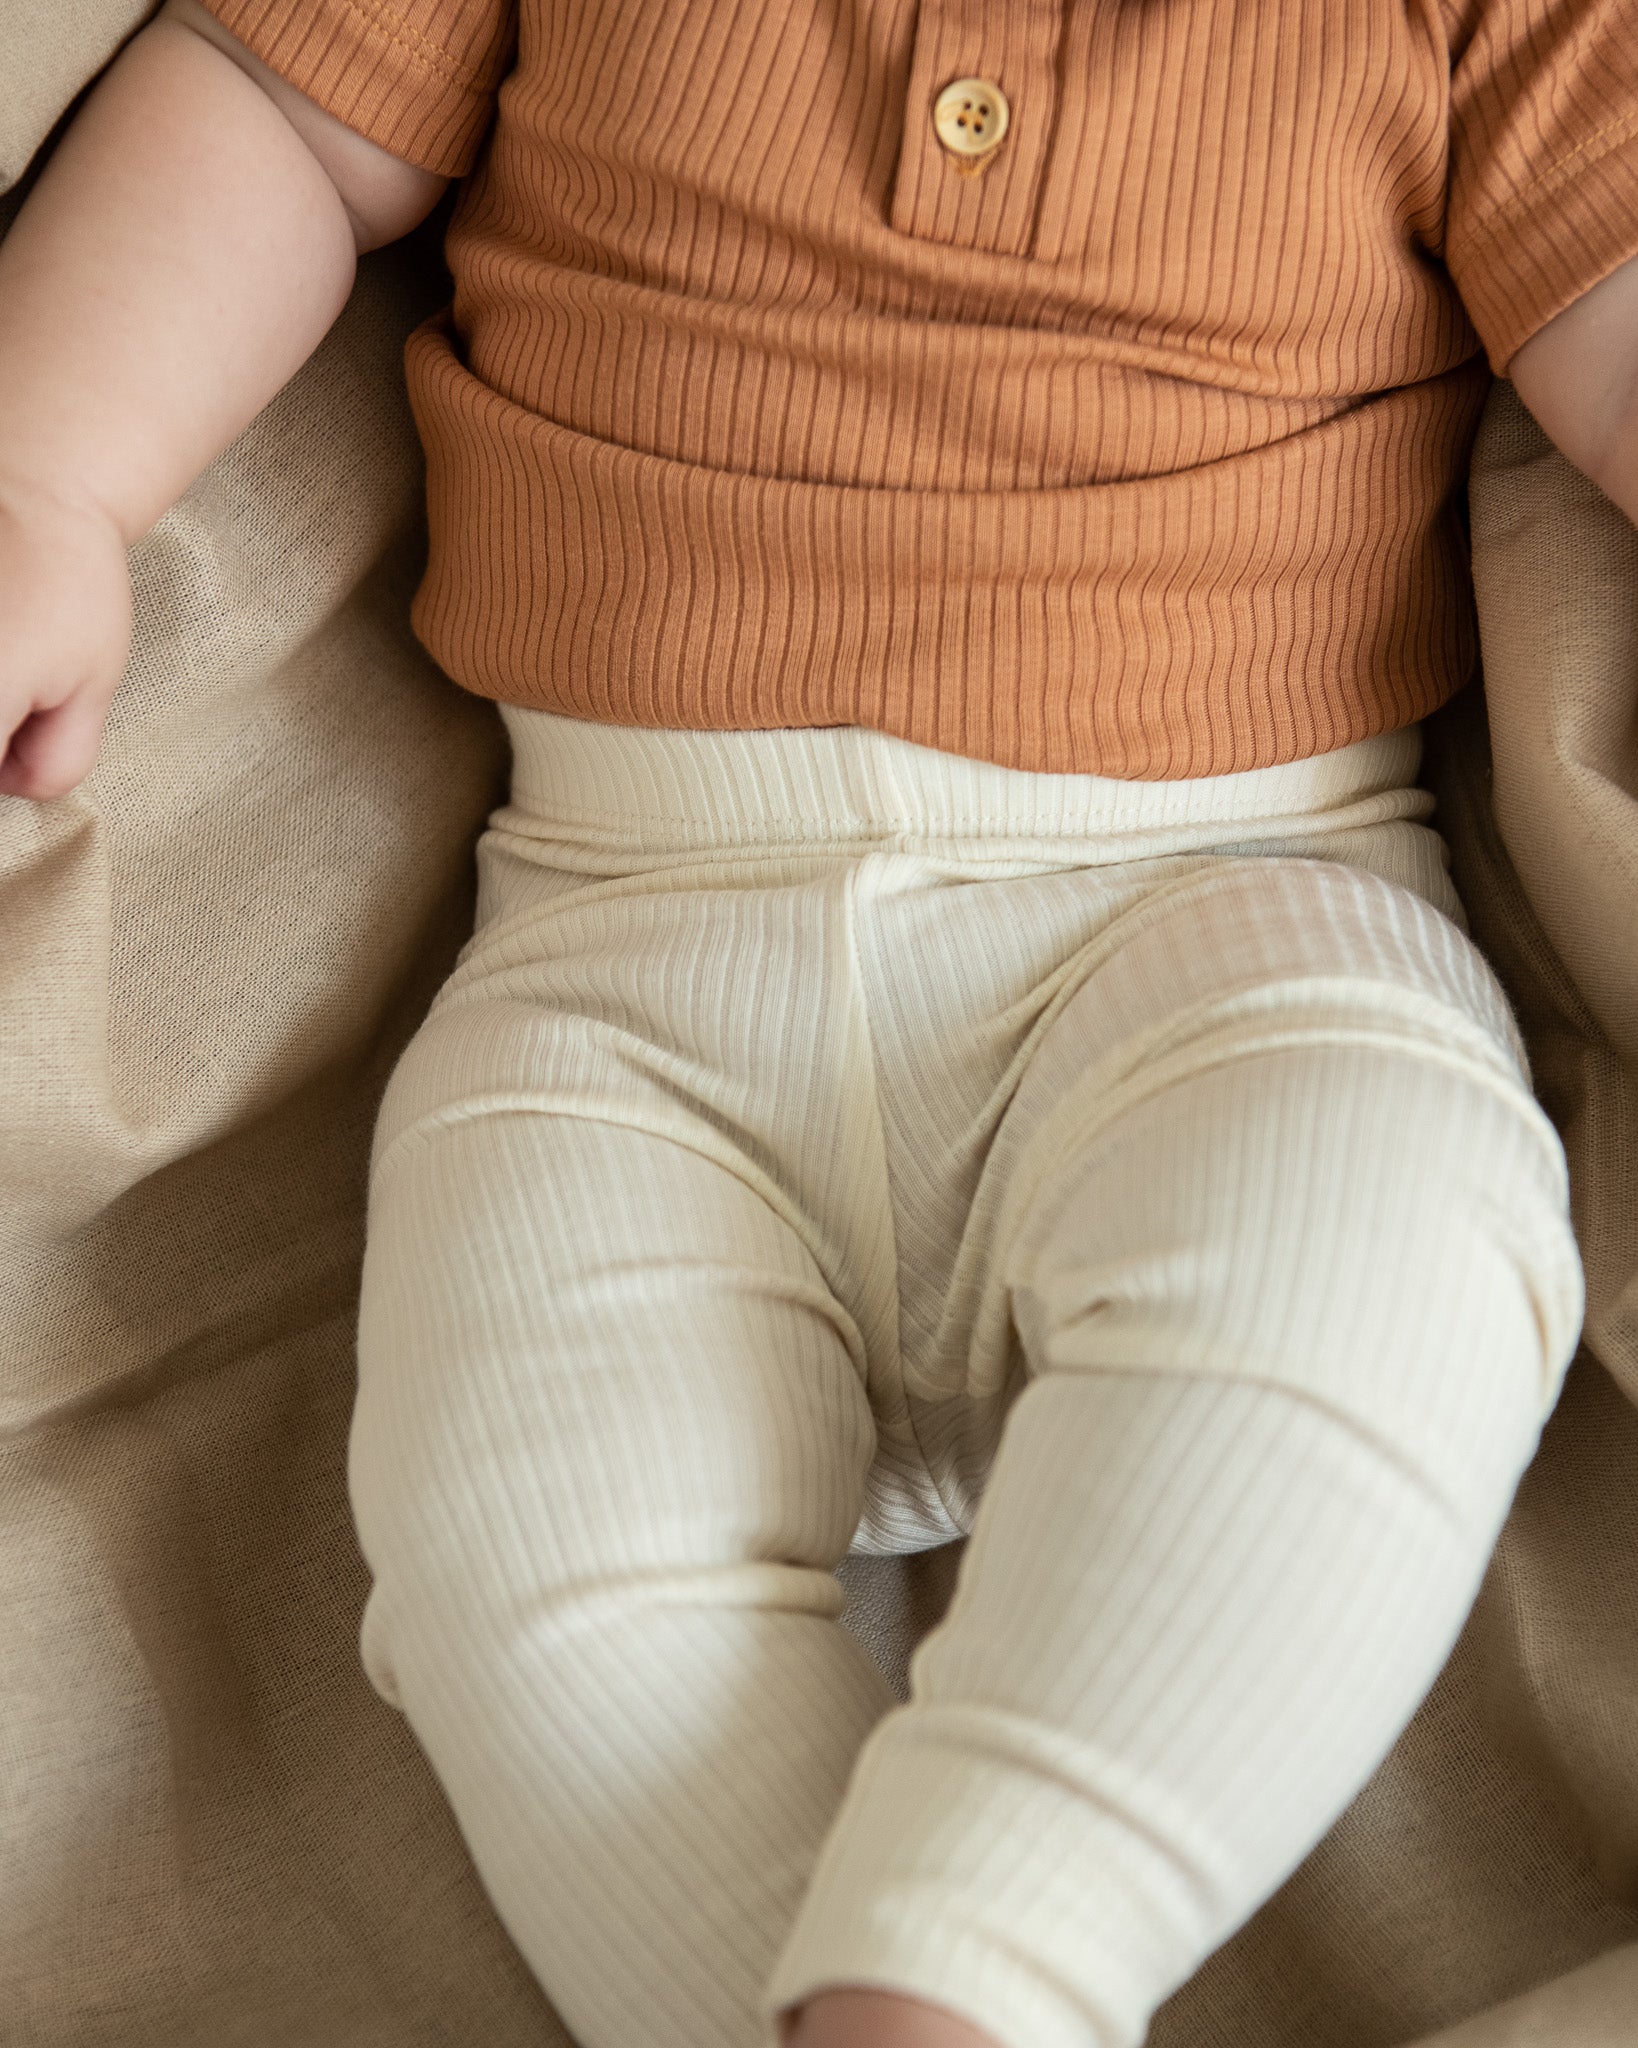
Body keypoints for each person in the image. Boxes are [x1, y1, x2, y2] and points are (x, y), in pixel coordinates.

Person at [0, 3, 1631, 2044]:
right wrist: (49, 470)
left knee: (1381, 1241)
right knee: (523, 1542)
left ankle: (976, 1964)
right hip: (618, 969)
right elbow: (271, 116)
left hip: (1222, 915)